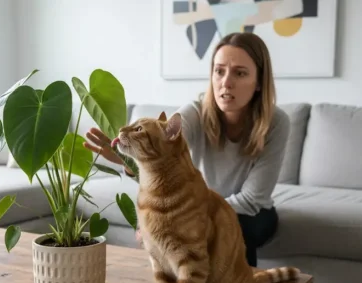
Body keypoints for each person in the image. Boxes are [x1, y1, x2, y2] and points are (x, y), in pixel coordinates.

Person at [84, 32, 290, 268]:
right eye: (219, 71)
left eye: (240, 73)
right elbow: (163, 157)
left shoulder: (276, 122)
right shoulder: (194, 112)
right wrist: (128, 161)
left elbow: (252, 200)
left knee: (233, 224)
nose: (226, 82)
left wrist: (183, 215)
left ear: (259, 82)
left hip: (253, 215)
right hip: (200, 208)